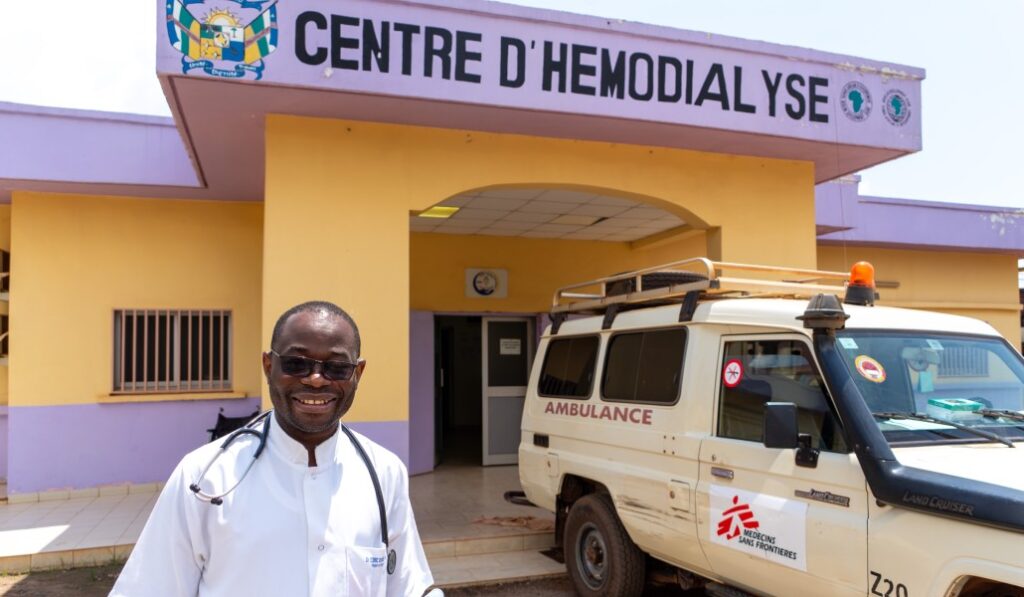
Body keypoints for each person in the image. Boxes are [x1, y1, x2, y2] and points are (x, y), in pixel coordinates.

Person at [111, 301, 439, 596]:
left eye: (337, 368)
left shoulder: (383, 472)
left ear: (358, 373)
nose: (315, 379)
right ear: (269, 366)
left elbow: (409, 587)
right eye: (297, 364)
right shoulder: (205, 477)